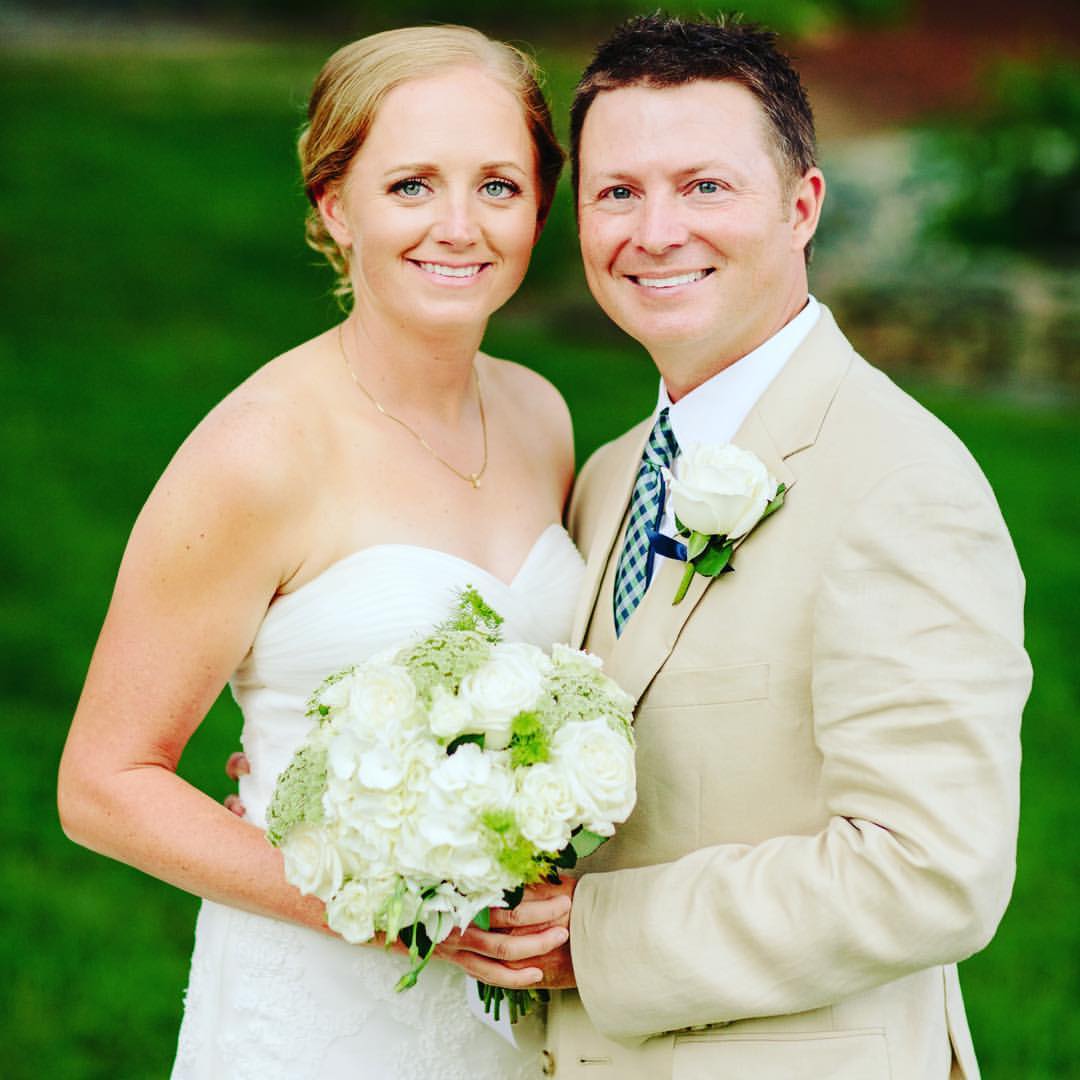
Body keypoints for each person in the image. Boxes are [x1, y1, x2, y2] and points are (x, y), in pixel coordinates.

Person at [502, 15, 1031, 1079]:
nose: (654, 231)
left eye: (705, 186)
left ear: (803, 207)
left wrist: (593, 941)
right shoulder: (610, 473)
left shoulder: (901, 484)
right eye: (618, 192)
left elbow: (932, 870)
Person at [57, 25, 583, 1080]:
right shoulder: (260, 451)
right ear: (336, 205)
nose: (458, 225)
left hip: (515, 1022)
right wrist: (395, 906)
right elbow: (103, 784)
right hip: (319, 1015)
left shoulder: (541, 416)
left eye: (497, 186)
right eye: (411, 186)